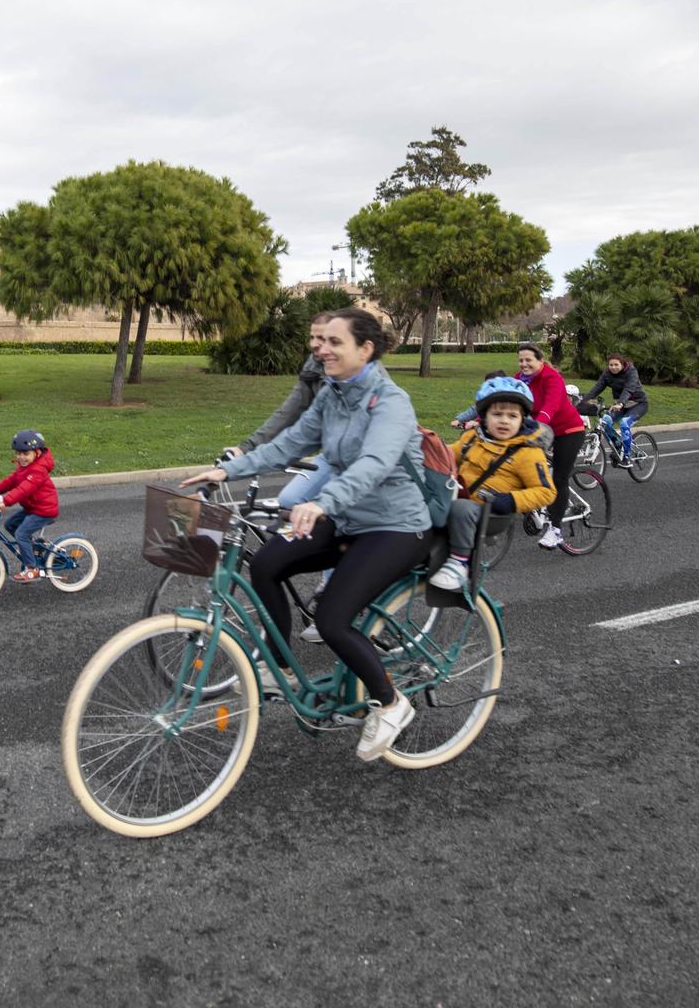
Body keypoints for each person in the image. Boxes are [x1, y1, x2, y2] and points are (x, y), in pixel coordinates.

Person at [181, 308, 427, 763]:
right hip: (349, 517)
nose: (321, 348)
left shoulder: (390, 402)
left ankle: (391, 704)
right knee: (269, 563)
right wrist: (227, 469)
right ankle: (279, 669)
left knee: (332, 620)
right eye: (320, 341)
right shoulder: (332, 393)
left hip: (395, 525)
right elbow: (290, 442)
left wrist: (321, 503)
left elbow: (375, 464)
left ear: (365, 349)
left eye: (334, 342)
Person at [430, 378, 557, 591]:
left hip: (493, 512)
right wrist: (427, 451)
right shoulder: (473, 438)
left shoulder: (528, 452)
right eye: (497, 415)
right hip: (460, 498)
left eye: (512, 416)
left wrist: (511, 500)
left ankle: (460, 563)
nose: (504, 421)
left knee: (461, 509)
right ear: (485, 417)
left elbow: (546, 492)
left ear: (522, 419)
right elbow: (448, 455)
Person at [223, 310, 334, 507]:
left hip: (370, 467)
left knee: (333, 513)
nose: (315, 345)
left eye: (323, 338)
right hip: (334, 454)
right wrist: (245, 449)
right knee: (290, 500)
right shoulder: (314, 366)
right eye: (312, 337)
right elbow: (289, 414)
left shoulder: (377, 391)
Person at [514, 341, 586, 550]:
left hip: (568, 431)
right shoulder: (518, 380)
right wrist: (481, 418)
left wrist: (539, 423)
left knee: (559, 478)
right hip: (541, 430)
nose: (524, 364)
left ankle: (555, 530)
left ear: (540, 361)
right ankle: (535, 503)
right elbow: (501, 398)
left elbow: (551, 405)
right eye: (521, 360)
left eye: (529, 360)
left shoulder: (551, 377)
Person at [0, 430, 59, 582]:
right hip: (33, 508)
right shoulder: (25, 467)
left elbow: (23, 490)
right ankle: (34, 548)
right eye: (18, 453)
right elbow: (11, 481)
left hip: (44, 510)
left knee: (21, 534)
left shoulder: (38, 470)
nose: (21, 457)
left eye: (25, 454)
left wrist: (5, 501)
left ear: (36, 452)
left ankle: (32, 568)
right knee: (10, 525)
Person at [583, 353, 649, 467]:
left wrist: (620, 403)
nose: (613, 367)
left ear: (622, 364)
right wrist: (583, 401)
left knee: (624, 423)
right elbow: (598, 387)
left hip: (638, 404)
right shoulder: (607, 374)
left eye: (616, 365)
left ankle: (627, 457)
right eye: (611, 365)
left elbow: (629, 389)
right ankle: (618, 445)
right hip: (620, 405)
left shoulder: (631, 372)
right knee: (605, 421)